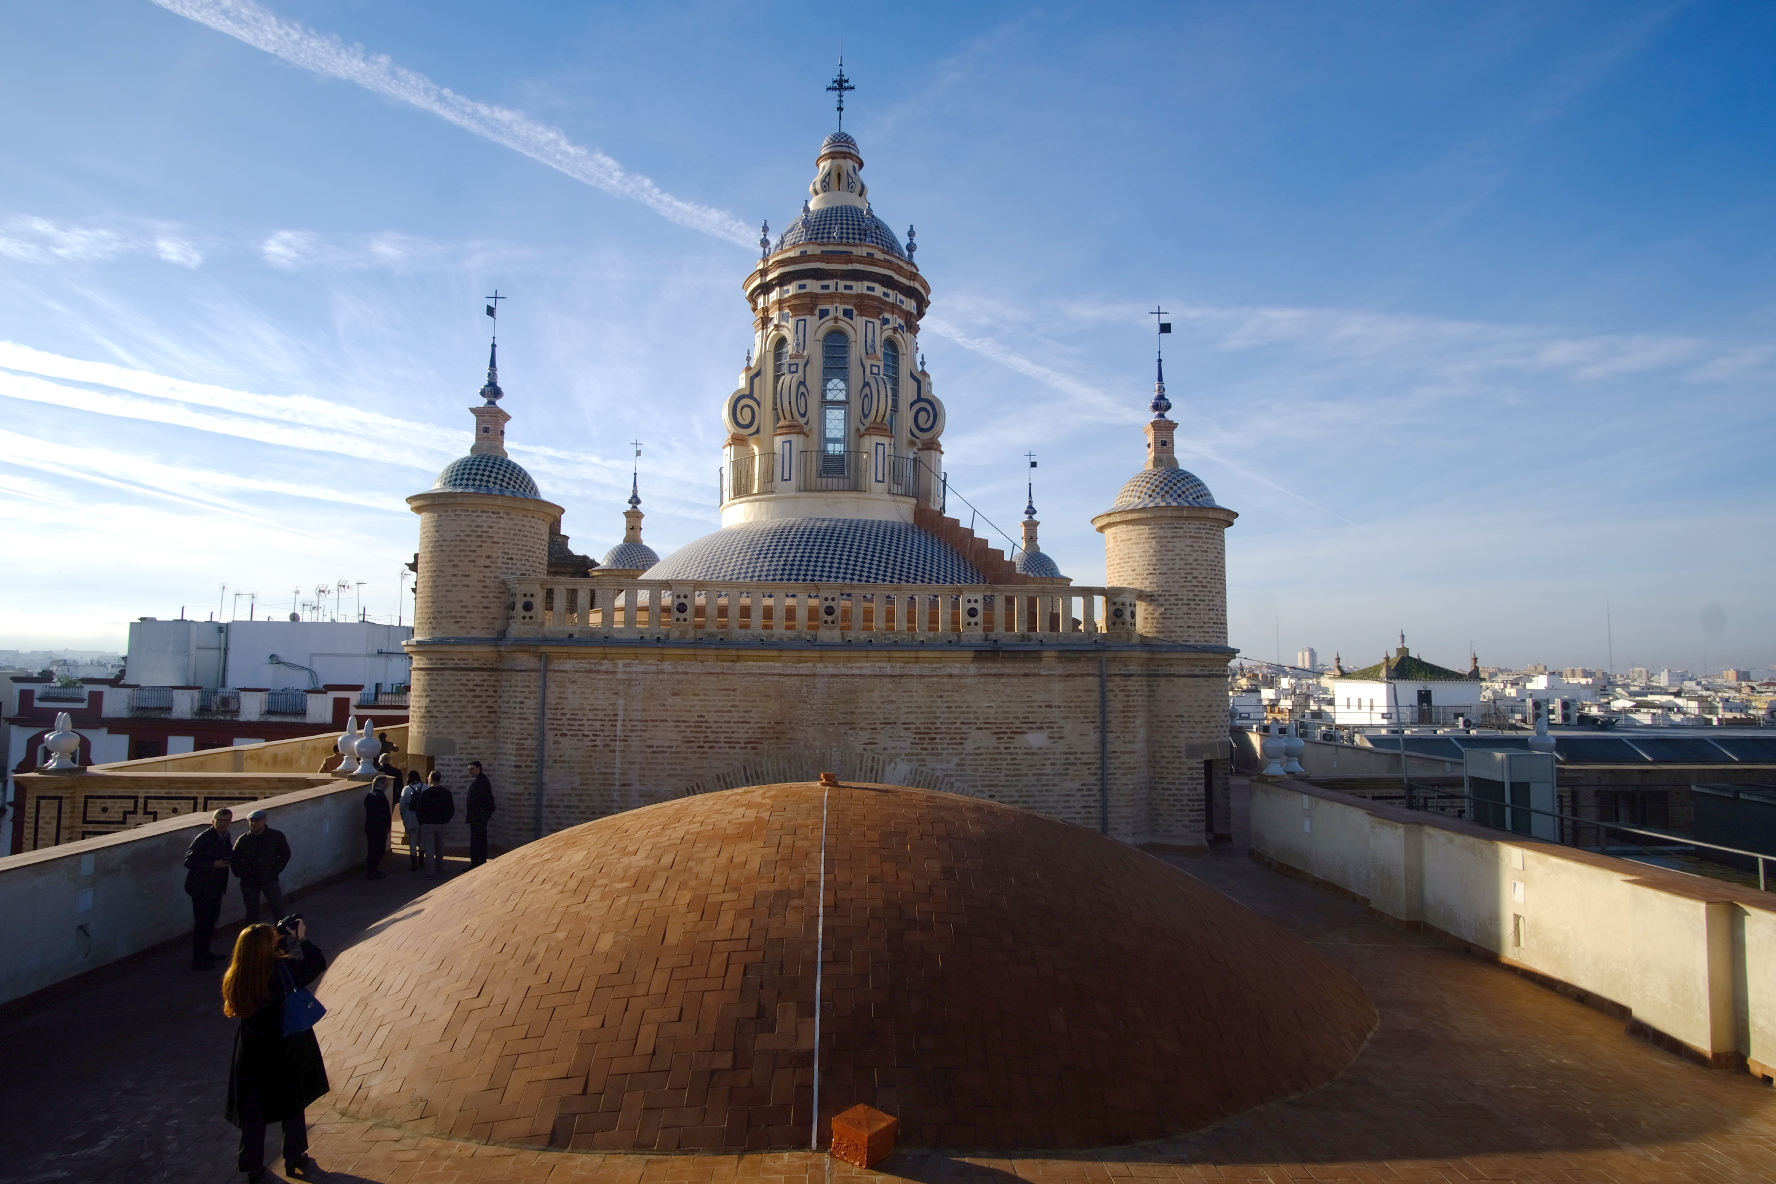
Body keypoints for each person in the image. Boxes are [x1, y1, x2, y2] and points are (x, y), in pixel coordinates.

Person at [223, 918, 328, 1182]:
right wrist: (300, 938)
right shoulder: (281, 970)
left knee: (253, 1110)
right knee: (292, 1101)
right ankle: (294, 1155)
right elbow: (316, 963)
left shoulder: (237, 975)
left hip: (252, 1049)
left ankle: (252, 1166)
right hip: (285, 1043)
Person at [183, 808, 235, 969]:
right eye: (219, 820)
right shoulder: (204, 838)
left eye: (225, 820)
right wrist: (212, 865)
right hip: (201, 887)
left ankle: (205, 952)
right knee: (202, 922)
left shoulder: (225, 837)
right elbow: (189, 861)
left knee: (211, 921)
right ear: (213, 821)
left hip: (215, 887)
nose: (222, 823)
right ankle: (197, 959)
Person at [232, 809, 291, 923]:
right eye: (251, 821)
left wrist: (274, 871)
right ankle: (253, 939)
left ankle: (280, 938)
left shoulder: (275, 836)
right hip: (249, 881)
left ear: (264, 821)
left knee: (277, 909)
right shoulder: (244, 839)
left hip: (269, 879)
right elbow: (235, 859)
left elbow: (285, 855)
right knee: (252, 912)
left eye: (257, 821)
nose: (253, 824)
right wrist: (242, 873)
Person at [414, 770, 454, 876]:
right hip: (441, 823)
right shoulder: (446, 793)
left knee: (429, 848)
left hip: (427, 824)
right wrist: (446, 820)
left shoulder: (425, 794)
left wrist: (422, 822)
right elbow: (451, 809)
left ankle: (430, 871)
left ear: (430, 779)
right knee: (440, 847)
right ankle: (439, 866)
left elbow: (419, 810)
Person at [465, 760, 496, 869]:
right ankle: (478, 861)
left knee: (477, 840)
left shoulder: (481, 781)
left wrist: (484, 815)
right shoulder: (479, 780)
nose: (470, 771)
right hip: (477, 817)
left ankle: (477, 863)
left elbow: (486, 800)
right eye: (469, 769)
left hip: (479, 817)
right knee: (478, 839)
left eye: (472, 769)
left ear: (478, 769)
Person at [363, 776, 393, 880]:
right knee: (378, 850)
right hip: (379, 828)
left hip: (371, 827)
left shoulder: (370, 795)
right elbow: (383, 813)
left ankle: (371, 870)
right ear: (380, 783)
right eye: (385, 783)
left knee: (372, 849)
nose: (387, 785)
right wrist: (387, 825)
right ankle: (372, 871)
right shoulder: (380, 796)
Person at [398, 771, 424, 872]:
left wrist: (403, 817)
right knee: (422, 840)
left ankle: (414, 864)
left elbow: (402, 805)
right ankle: (421, 861)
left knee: (412, 840)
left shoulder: (407, 789)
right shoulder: (425, 787)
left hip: (411, 817)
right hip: (423, 817)